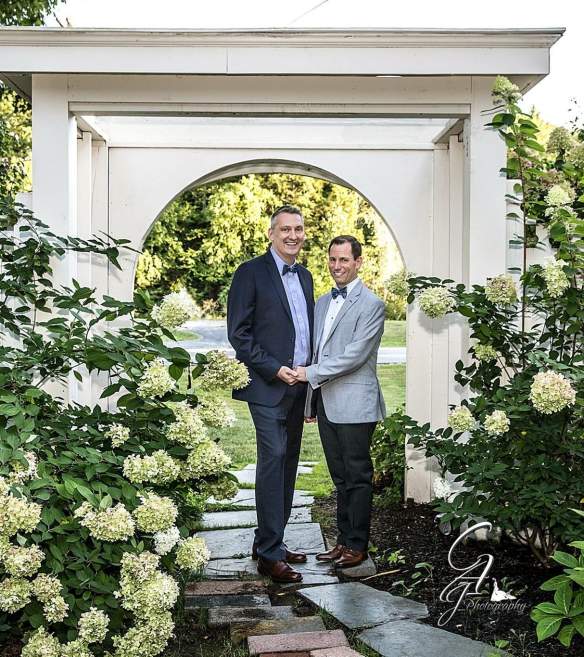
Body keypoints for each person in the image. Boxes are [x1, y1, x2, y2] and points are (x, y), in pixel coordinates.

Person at [227, 205, 314, 583]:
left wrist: (308, 377)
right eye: (285, 230)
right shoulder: (250, 273)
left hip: (299, 386)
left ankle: (270, 541)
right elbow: (239, 335)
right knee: (273, 458)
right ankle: (268, 555)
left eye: (298, 229)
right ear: (271, 234)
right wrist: (274, 368)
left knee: (288, 463)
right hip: (266, 386)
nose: (292, 235)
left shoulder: (307, 276)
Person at [295, 235, 385, 568]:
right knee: (340, 478)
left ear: (358, 262)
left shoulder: (372, 305)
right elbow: (318, 350)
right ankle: (342, 541)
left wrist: (308, 374)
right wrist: (311, 402)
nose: (337, 267)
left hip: (357, 404)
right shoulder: (321, 302)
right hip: (327, 402)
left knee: (358, 476)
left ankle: (358, 545)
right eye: (332, 260)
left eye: (344, 260)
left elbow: (354, 356)